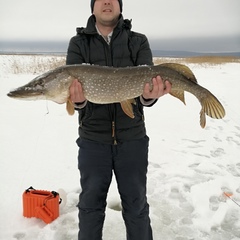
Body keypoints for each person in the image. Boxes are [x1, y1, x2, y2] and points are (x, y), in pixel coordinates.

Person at [66, 0, 171, 239]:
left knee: (136, 207)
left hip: (132, 139)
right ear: (92, 7)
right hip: (93, 140)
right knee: (90, 207)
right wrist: (78, 101)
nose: (106, 2)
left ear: (119, 6)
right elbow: (75, 97)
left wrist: (149, 97)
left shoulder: (138, 41)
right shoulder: (78, 43)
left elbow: (147, 91)